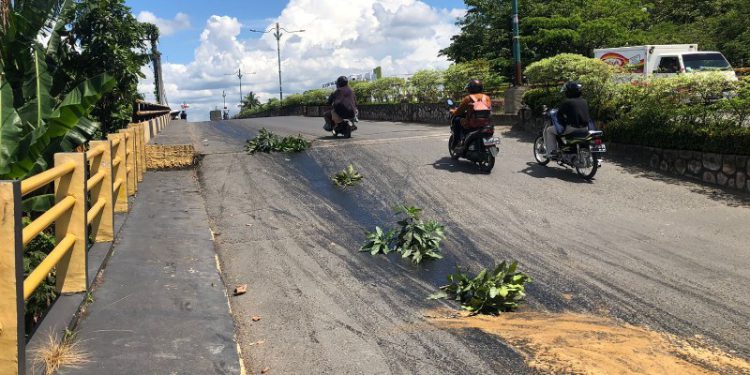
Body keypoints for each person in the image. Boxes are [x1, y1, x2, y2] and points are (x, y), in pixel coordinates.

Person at [544, 81, 592, 158]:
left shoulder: (567, 102)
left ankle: (552, 152)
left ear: (569, 92)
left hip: (572, 128)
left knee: (549, 130)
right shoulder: (584, 101)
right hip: (585, 128)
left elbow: (559, 114)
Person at [449, 79, 492, 148]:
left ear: (470, 89)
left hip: (472, 123)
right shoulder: (487, 97)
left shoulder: (468, 98)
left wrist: (453, 111)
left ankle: (456, 141)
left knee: (457, 120)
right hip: (486, 123)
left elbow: (459, 112)